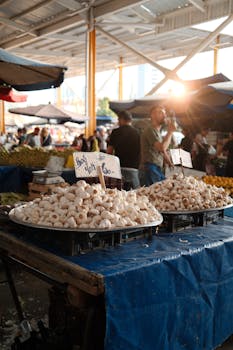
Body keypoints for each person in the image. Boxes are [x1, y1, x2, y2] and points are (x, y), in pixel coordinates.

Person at [140, 105, 176, 186]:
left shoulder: (157, 132)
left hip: (155, 168)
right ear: (152, 115)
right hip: (150, 168)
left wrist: (169, 162)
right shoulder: (150, 130)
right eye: (160, 113)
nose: (164, 116)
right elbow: (162, 147)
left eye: (164, 113)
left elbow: (162, 150)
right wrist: (170, 132)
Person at [107, 110, 140, 189]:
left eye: (118, 120)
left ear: (121, 119)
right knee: (134, 195)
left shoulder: (115, 132)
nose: (118, 122)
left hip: (119, 168)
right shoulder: (137, 132)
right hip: (133, 169)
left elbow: (109, 151)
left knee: (120, 195)